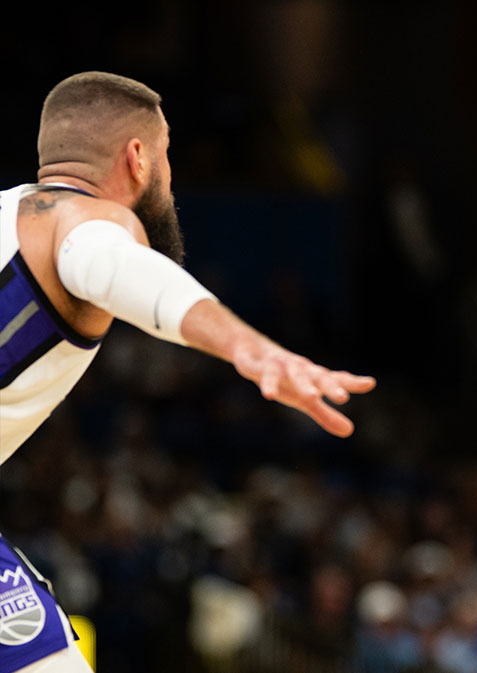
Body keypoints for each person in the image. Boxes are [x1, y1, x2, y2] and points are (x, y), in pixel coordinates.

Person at [0, 71, 376, 672]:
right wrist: (253, 350)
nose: (171, 181)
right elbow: (118, 267)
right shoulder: (89, 221)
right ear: (139, 158)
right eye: (169, 156)